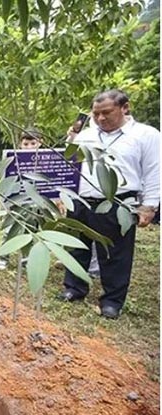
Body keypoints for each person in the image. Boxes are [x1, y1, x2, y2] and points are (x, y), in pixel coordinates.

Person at [58, 89, 159, 319]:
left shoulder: (146, 135)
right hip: (81, 199)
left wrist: (149, 206)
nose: (101, 118)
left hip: (118, 202)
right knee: (76, 247)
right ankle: (74, 288)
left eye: (106, 113)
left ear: (125, 108)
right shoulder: (86, 135)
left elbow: (154, 172)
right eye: (96, 114)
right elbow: (71, 165)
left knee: (116, 253)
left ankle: (112, 301)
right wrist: (63, 194)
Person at [0, 130, 43, 270]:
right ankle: (3, 258)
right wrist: (6, 203)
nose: (29, 147)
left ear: (40, 143)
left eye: (33, 143)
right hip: (16, 201)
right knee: (9, 230)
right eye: (26, 143)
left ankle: (26, 259)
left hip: (35, 203)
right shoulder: (13, 159)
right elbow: (6, 182)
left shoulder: (46, 160)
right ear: (20, 144)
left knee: (31, 231)